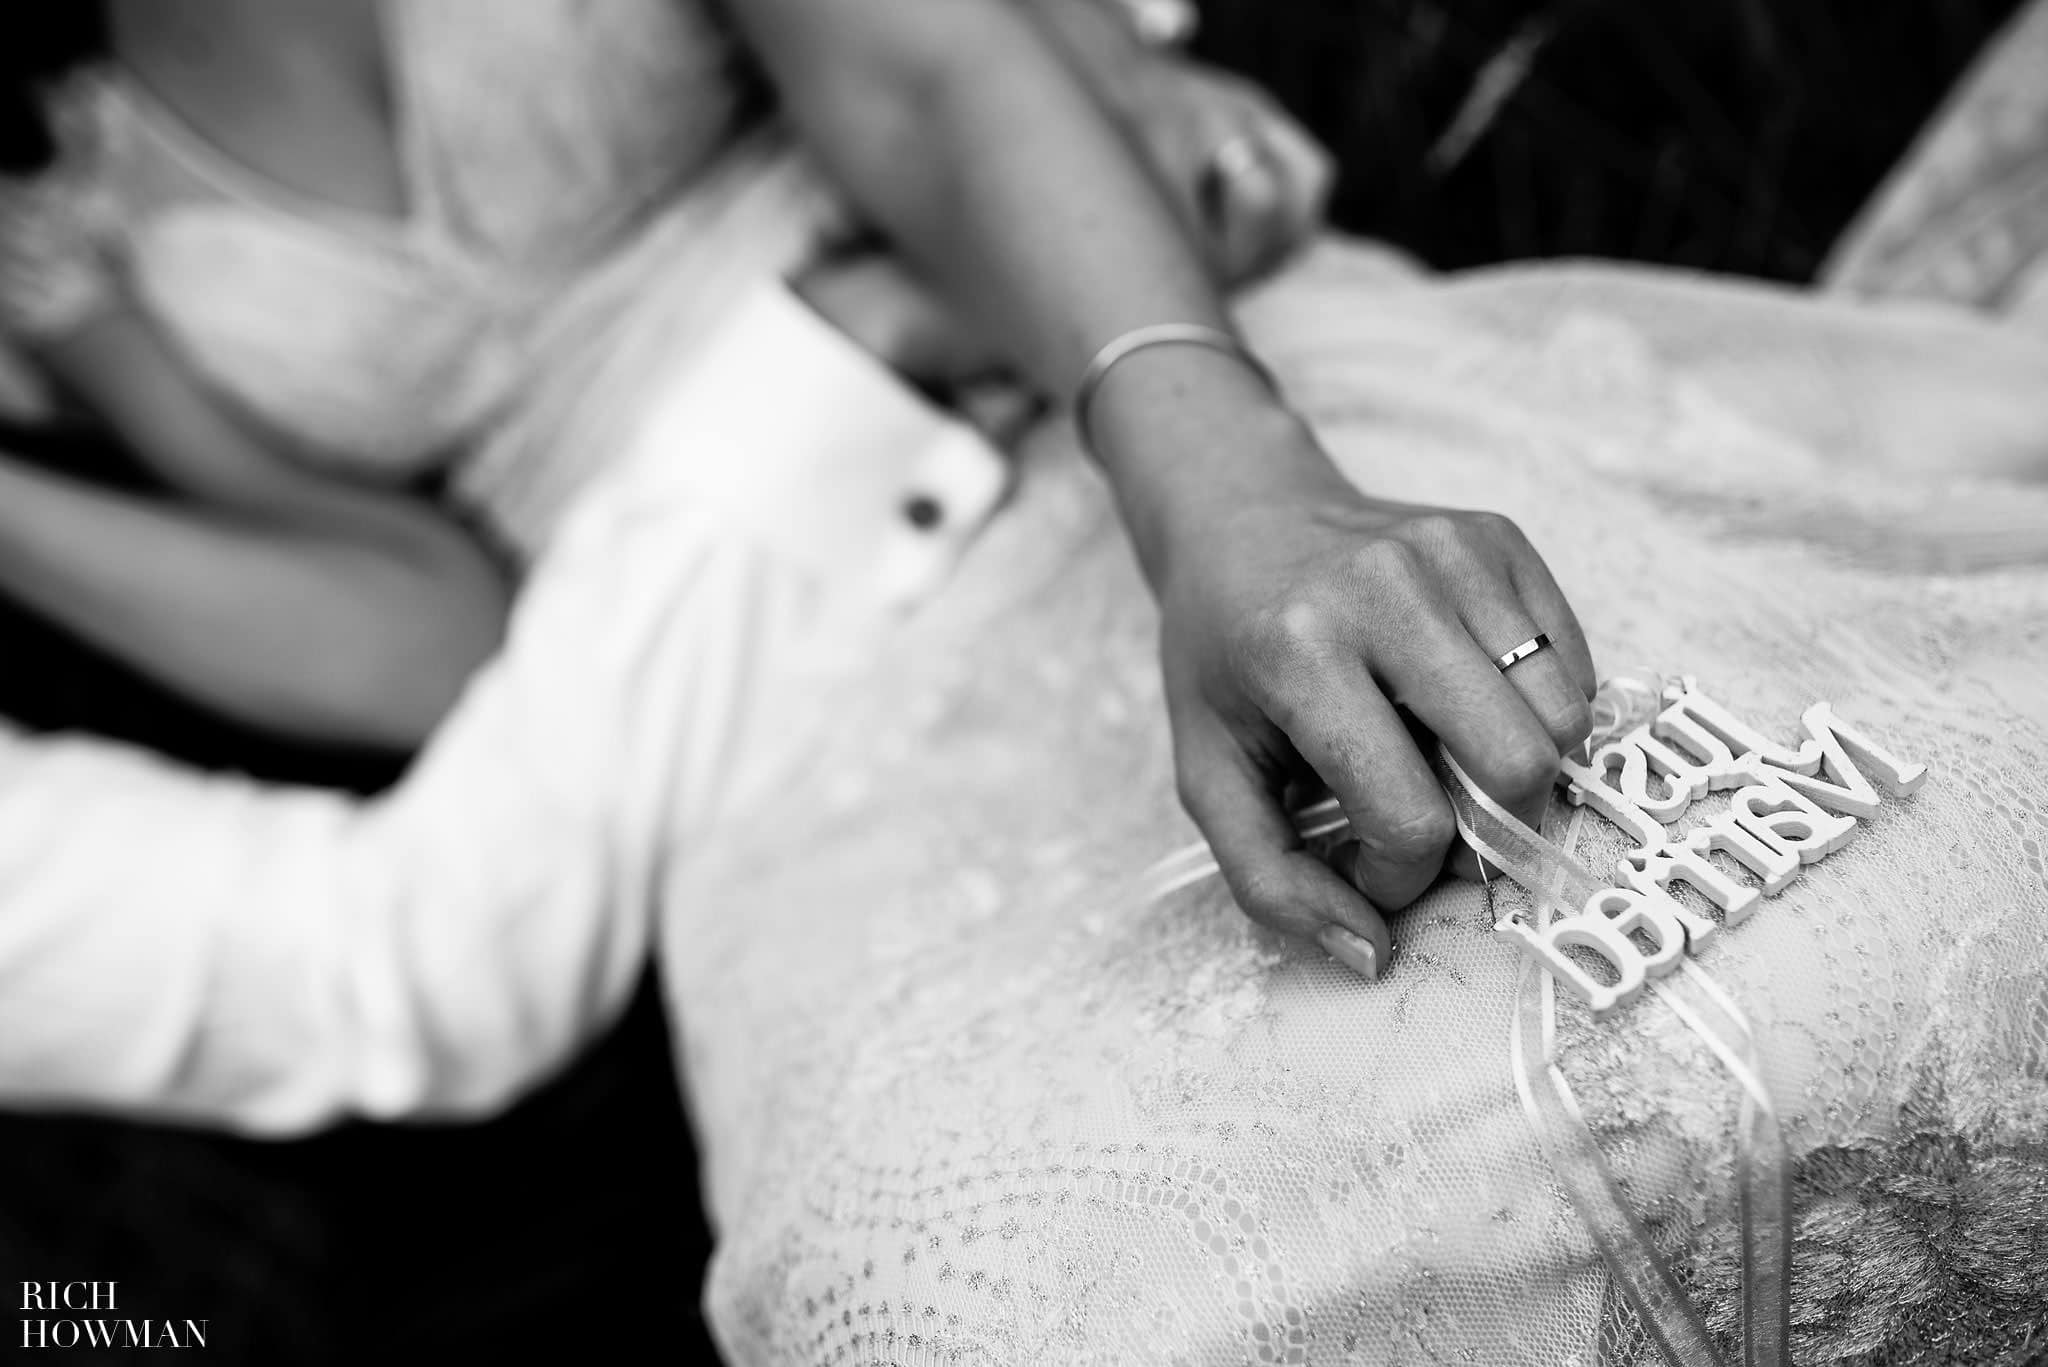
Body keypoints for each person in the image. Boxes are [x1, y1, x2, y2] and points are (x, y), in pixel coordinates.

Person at [2, 0, 2045, 1360]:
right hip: (738, 691)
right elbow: (433, 635)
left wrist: (1218, 463)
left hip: (1085, 364)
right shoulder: (75, 197)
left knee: (1856, 902)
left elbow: (924, 73)